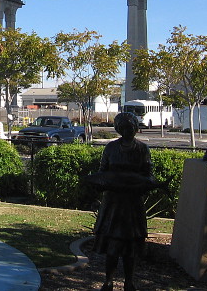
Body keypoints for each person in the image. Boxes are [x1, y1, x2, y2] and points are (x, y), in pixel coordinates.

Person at [93, 112, 153, 291]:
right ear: (118, 129)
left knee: (130, 248)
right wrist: (100, 184)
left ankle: (129, 281)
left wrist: (144, 185)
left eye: (131, 127)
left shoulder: (142, 149)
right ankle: (108, 281)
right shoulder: (111, 148)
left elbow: (148, 174)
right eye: (124, 128)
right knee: (112, 246)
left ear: (136, 128)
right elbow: (103, 171)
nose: (127, 131)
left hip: (132, 203)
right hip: (113, 203)